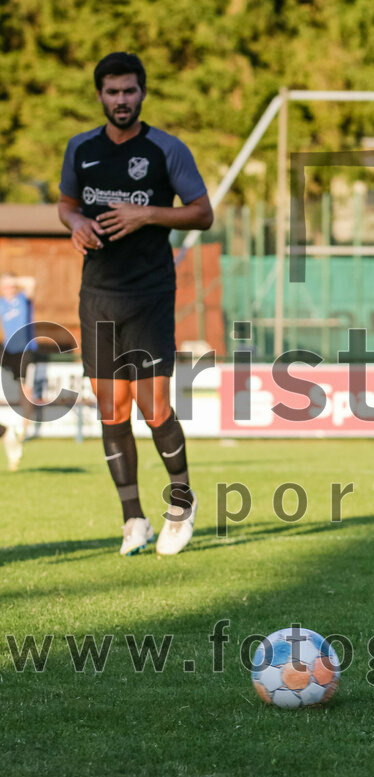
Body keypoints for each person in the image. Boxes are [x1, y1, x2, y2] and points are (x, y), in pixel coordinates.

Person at [57, 52, 213, 556]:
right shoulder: (80, 149)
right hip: (98, 294)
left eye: (129, 91)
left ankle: (181, 503)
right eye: (111, 92)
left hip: (148, 294)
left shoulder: (167, 149)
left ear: (142, 93)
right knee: (110, 410)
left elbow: (203, 214)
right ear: (99, 95)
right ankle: (133, 521)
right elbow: (66, 203)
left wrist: (146, 215)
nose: (120, 100)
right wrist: (76, 223)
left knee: (154, 407)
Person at [0, 273, 37, 469]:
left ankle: (24, 430)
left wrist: (12, 281)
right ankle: (10, 433)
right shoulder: (1, 302)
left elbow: (31, 282)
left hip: (26, 349)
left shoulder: (24, 299)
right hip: (8, 351)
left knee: (26, 390)